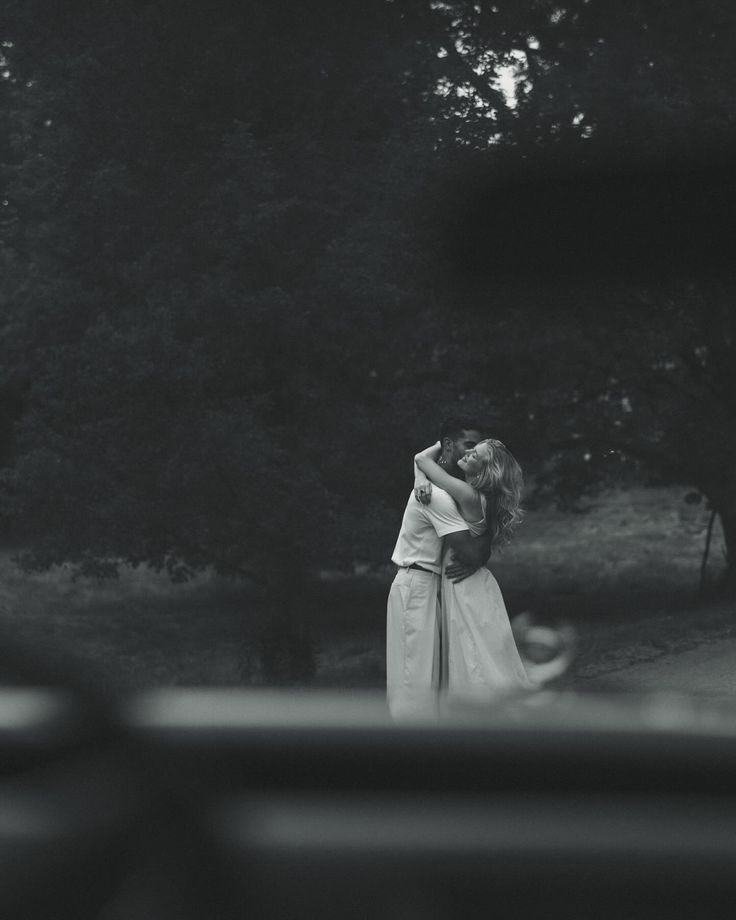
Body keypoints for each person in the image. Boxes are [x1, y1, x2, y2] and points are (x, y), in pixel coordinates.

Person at [414, 436, 536, 708]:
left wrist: (428, 462)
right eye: (470, 448)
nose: (467, 452)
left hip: (464, 586)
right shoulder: (482, 498)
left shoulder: (467, 494)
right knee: (482, 654)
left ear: (482, 471)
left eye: (475, 455)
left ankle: (485, 720)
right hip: (473, 583)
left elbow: (422, 460)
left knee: (472, 653)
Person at [387, 418, 490, 720]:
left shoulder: (447, 489)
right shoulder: (436, 496)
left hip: (431, 587)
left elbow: (426, 456)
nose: (476, 453)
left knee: (430, 680)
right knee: (413, 681)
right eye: (469, 445)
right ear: (448, 446)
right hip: (416, 585)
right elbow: (469, 552)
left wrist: (420, 467)